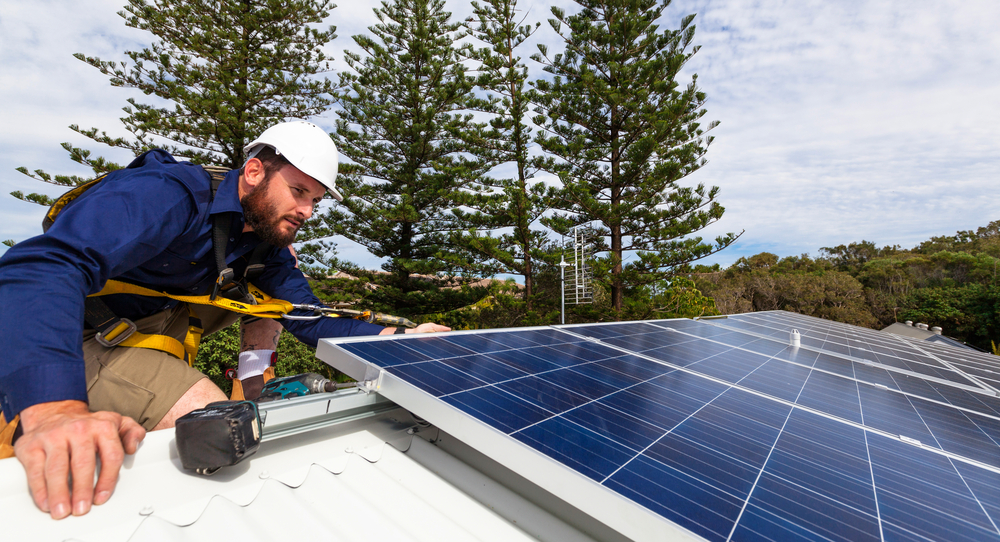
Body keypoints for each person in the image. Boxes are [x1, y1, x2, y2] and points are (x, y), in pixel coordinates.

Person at [0, 121, 450, 519]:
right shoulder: (168, 193)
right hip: (80, 336)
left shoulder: (265, 245)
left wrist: (394, 337)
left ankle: (252, 389)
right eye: (298, 191)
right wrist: (54, 409)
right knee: (217, 424)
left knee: (269, 301)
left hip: (154, 326)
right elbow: (43, 267)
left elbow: (306, 316)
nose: (307, 212)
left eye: (315, 200)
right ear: (254, 172)